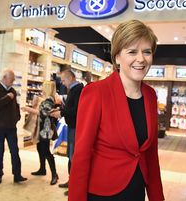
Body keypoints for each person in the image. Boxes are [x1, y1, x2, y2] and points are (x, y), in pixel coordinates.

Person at [68, 19, 165, 201]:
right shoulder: (96, 92)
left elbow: (151, 155)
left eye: (147, 52)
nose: (141, 59)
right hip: (103, 194)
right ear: (118, 57)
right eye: (132, 52)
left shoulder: (150, 96)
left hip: (136, 192)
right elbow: (81, 155)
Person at [0, 69, 27, 184]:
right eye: (12, 79)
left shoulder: (13, 91)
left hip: (11, 128)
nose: (13, 81)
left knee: (15, 151)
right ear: (4, 78)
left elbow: (16, 106)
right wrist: (6, 98)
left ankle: (17, 175)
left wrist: (17, 117)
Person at [50, 69, 84, 194]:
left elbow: (77, 110)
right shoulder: (74, 90)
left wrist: (61, 113)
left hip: (75, 128)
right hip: (72, 127)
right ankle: (71, 182)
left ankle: (75, 186)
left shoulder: (78, 90)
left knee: (74, 157)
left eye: (64, 80)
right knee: (71, 156)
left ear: (70, 78)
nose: (63, 83)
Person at [21, 81, 59, 185]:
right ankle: (42, 169)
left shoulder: (49, 100)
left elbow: (42, 113)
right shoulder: (47, 99)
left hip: (45, 130)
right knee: (39, 148)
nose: (42, 88)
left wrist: (28, 109)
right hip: (42, 128)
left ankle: (54, 174)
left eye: (43, 87)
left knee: (46, 151)